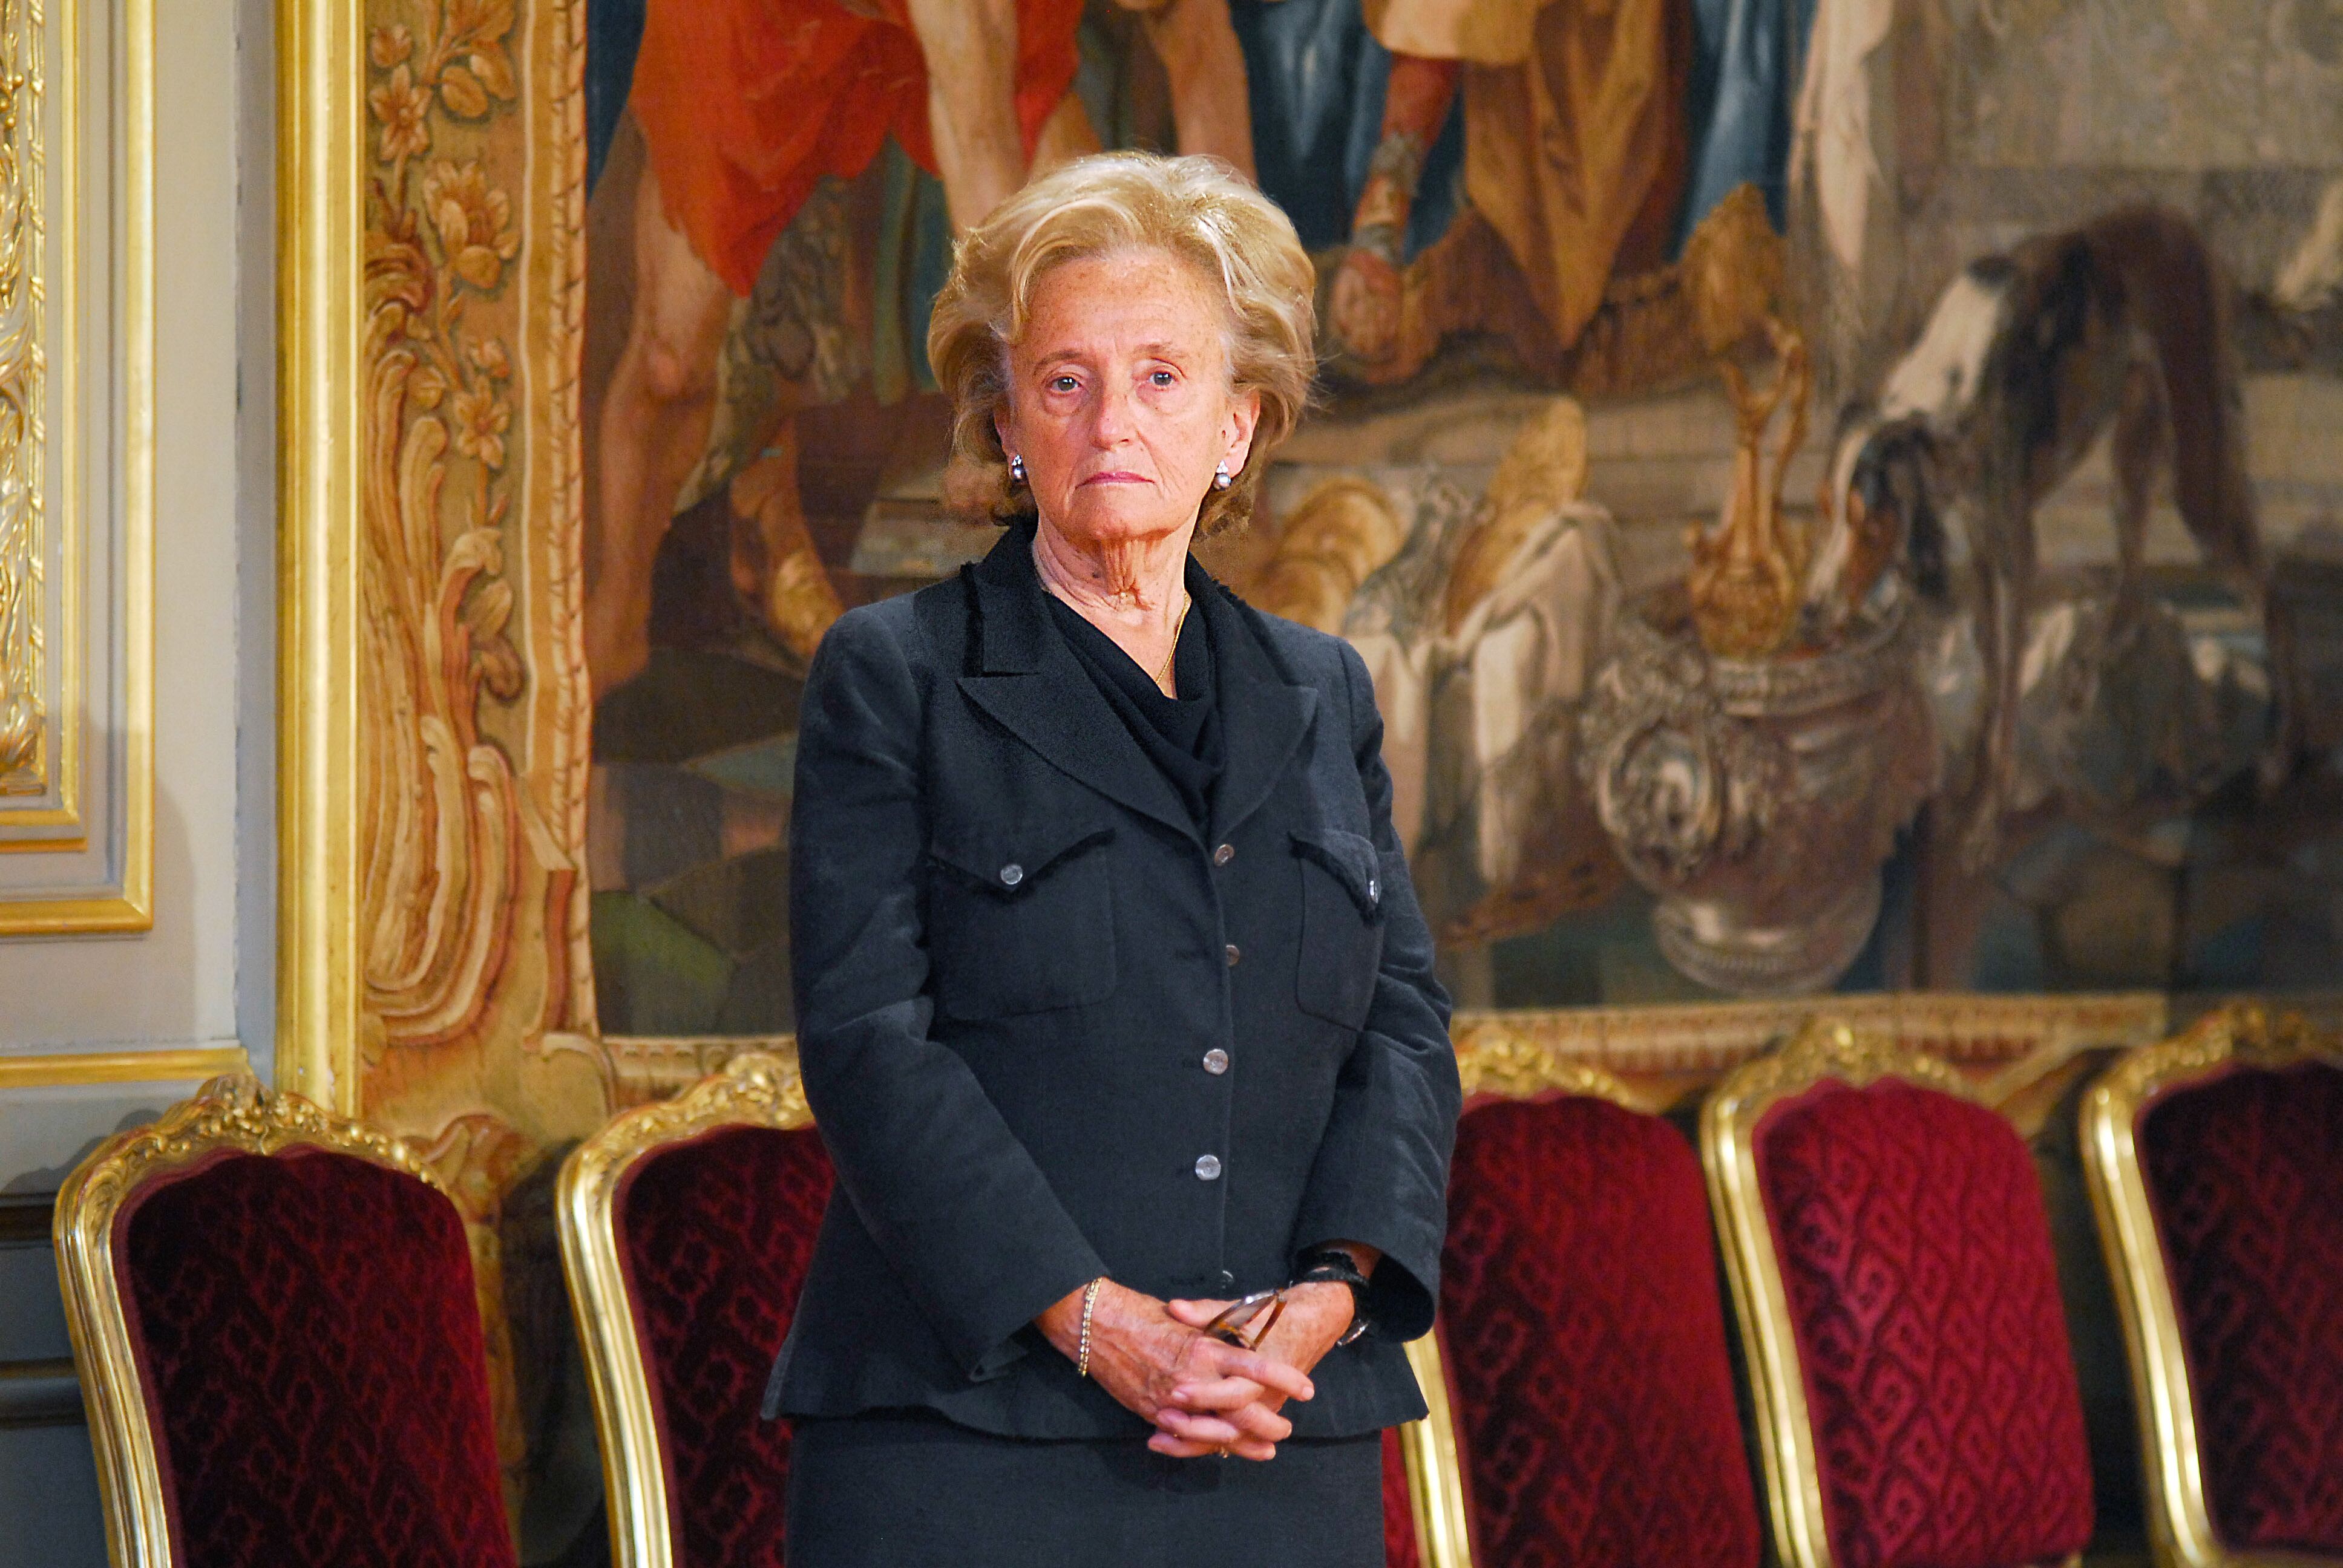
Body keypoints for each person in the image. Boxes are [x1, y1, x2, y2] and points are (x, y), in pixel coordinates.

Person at [767, 151, 1461, 1566]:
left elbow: (1401, 1030)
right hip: (965, 1444)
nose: (1110, 422)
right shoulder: (896, 675)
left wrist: (1329, 1299)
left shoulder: (1320, 691)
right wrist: (1097, 1321)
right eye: (1064, 379)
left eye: (1160, 376)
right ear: (1008, 422)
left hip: (1275, 1431)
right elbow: (866, 1045)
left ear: (1237, 427)